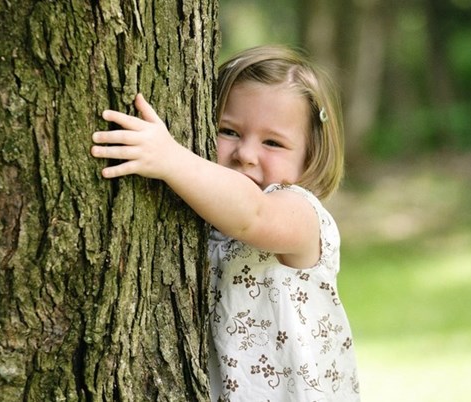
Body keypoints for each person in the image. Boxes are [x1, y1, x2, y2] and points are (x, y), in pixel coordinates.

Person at [90, 45, 359, 401]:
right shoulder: (204, 212)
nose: (245, 154)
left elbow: (251, 216)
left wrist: (170, 159)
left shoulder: (302, 215)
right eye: (229, 131)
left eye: (273, 142)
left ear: (310, 157)